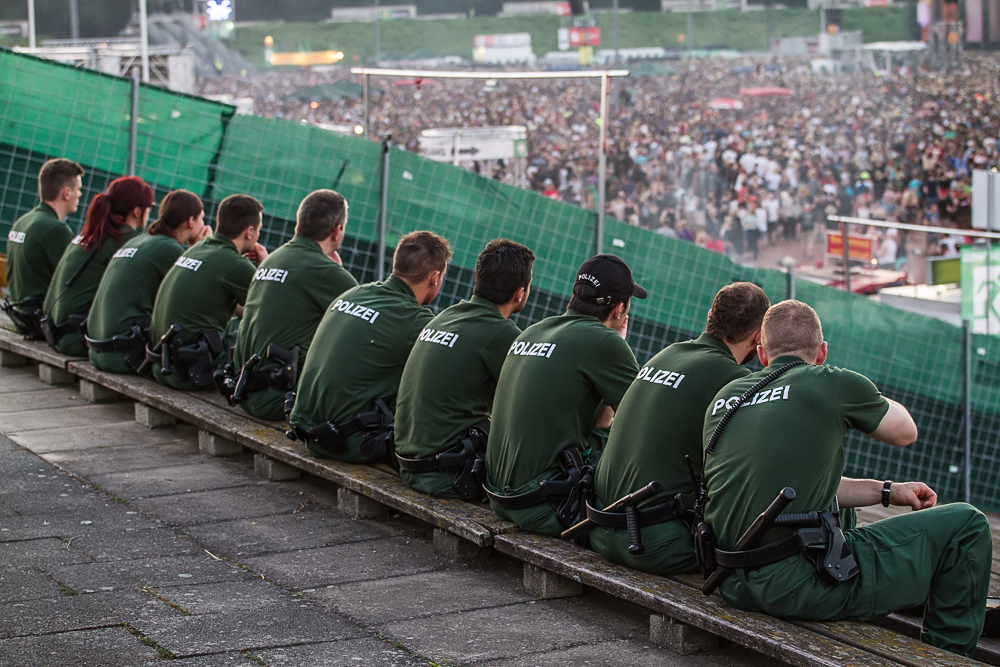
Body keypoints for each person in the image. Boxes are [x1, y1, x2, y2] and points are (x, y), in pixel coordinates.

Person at [701, 300, 991, 658]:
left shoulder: (727, 397)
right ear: (821, 352)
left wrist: (887, 491)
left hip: (733, 581)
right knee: (968, 525)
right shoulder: (832, 382)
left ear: (762, 354)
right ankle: (945, 658)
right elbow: (905, 431)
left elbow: (793, 487)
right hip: (794, 586)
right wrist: (859, 396)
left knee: (840, 514)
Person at [589, 282, 770, 574]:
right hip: (656, 545)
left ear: (711, 314)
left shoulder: (670, 353)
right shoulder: (735, 381)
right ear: (758, 337)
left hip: (601, 528)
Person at [485, 254, 645, 536]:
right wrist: (616, 343)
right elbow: (640, 429)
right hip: (546, 508)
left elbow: (602, 423)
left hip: (499, 498)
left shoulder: (533, 331)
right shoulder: (604, 342)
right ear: (620, 308)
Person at [287, 231, 452, 466]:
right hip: (347, 444)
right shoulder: (415, 320)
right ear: (435, 278)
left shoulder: (354, 293)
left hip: (307, 430)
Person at [394, 239, 534, 500]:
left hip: (409, 465)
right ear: (520, 293)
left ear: (477, 281)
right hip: (446, 478)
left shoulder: (445, 315)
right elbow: (534, 407)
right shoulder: (502, 333)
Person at [226, 189, 358, 420]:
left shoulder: (274, 258)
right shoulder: (326, 272)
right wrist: (338, 271)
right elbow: (368, 329)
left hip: (244, 391)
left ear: (299, 223)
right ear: (337, 231)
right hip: (279, 399)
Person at [147, 194, 267, 390]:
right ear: (250, 231)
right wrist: (265, 266)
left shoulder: (199, 248)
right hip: (189, 372)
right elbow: (270, 315)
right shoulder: (235, 264)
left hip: (161, 365)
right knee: (256, 334)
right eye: (259, 231)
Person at [85, 190, 210, 374]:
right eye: (202, 219)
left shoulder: (141, 240)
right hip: (122, 357)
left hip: (98, 351)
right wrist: (201, 249)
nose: (204, 225)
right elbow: (200, 296)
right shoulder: (169, 248)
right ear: (190, 221)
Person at [41, 176, 154, 356]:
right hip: (76, 339)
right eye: (150, 207)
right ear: (137, 211)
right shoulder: (125, 240)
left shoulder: (92, 232)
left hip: (55, 333)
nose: (150, 212)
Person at [2, 158, 83, 340]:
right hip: (43, 323)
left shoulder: (23, 221)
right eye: (78, 190)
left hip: (21, 316)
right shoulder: (55, 229)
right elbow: (76, 280)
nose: (80, 195)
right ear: (67, 193)